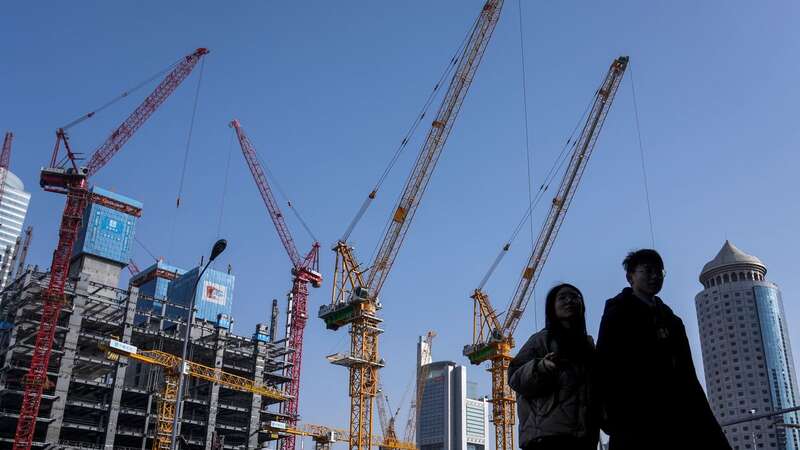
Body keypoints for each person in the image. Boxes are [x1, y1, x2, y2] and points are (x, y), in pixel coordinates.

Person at [596, 249, 731, 450]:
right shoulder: (617, 315)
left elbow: (688, 375)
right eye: (647, 270)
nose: (655, 276)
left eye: (659, 272)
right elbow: (604, 366)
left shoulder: (673, 322)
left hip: (675, 415)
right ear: (630, 276)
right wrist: (608, 415)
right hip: (633, 416)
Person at [508, 283, 599, 450]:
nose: (569, 301)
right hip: (546, 438)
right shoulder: (541, 340)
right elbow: (515, 378)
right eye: (562, 297)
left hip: (585, 438)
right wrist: (541, 367)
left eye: (575, 297)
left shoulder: (588, 346)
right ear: (552, 307)